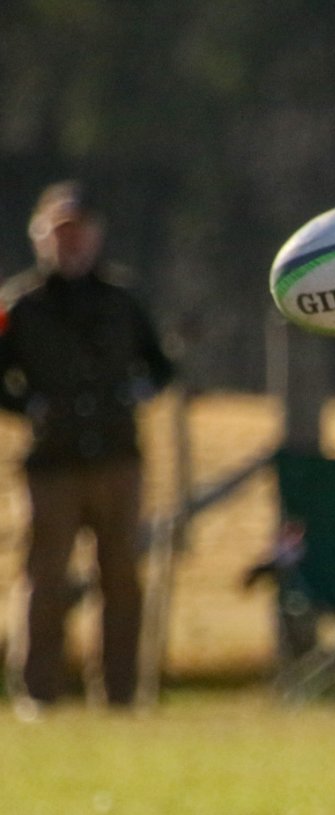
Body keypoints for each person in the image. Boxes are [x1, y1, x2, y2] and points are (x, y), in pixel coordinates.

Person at [0, 182, 175, 712]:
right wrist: (28, 406)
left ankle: (120, 695)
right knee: (44, 578)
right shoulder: (19, 305)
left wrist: (137, 392)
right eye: (60, 232)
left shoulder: (124, 299)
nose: (70, 243)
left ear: (96, 237)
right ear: (41, 237)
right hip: (51, 462)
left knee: (121, 577)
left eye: (78, 232)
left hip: (118, 458)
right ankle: (38, 693)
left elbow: (160, 365)